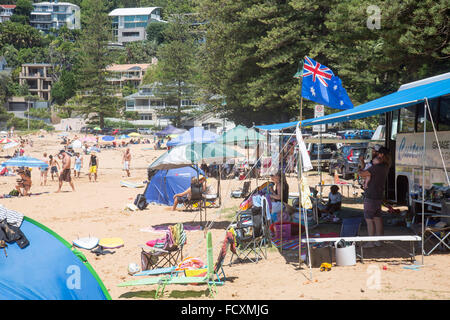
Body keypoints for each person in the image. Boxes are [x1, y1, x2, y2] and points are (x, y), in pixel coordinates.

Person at [358, 147, 391, 247]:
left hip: (371, 195)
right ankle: (379, 240)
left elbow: (362, 174)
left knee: (369, 219)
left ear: (381, 155)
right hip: (378, 195)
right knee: (377, 218)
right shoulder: (385, 166)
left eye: (378, 154)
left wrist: (359, 167)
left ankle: (371, 242)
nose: (376, 155)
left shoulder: (376, 167)